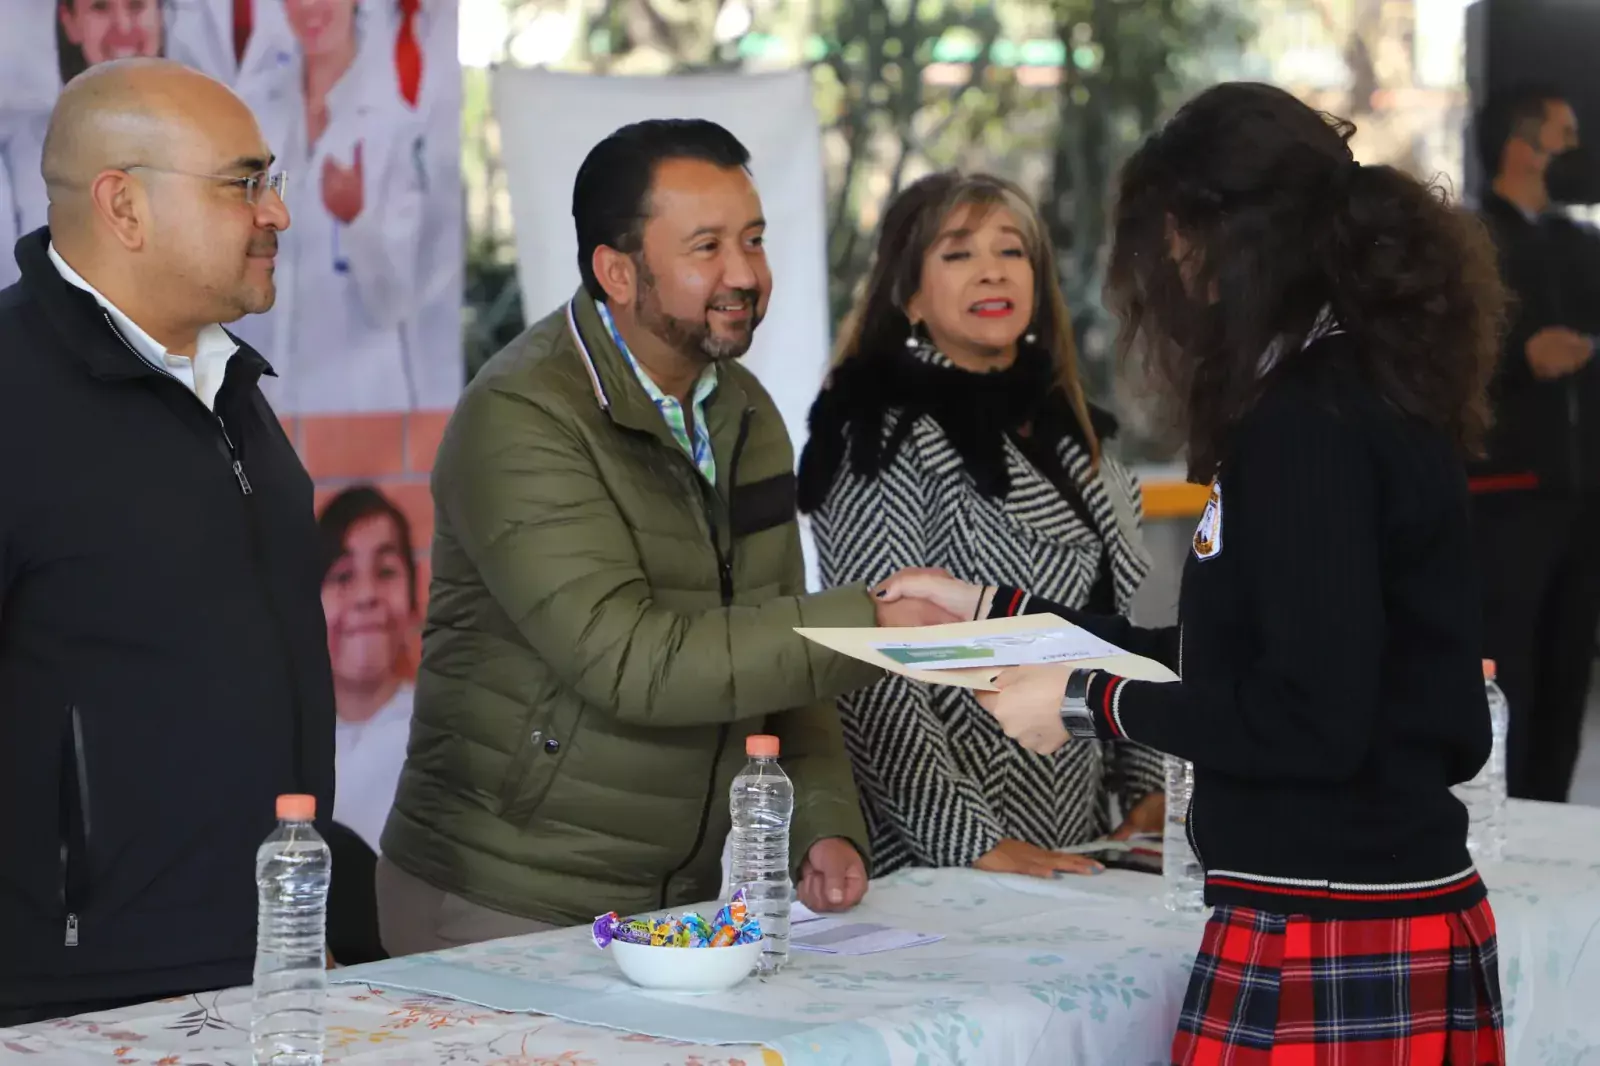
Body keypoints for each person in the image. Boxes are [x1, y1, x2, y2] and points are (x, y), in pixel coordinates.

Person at [878, 82, 1508, 1063]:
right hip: (1362, 907)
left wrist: (1086, 700)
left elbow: (1308, 716)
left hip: (1327, 927)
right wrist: (1006, 615)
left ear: (1213, 241)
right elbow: (1250, 656)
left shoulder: (1307, 425)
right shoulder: (1353, 389)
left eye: (1167, 244)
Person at [375, 118, 952, 957]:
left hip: (678, 905)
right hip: (504, 896)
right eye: (707, 247)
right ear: (617, 270)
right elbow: (630, 660)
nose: (745, 274)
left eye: (753, 240)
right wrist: (867, 628)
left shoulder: (744, 409)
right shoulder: (522, 415)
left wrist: (821, 823)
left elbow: (782, 647)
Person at [0, 58, 331, 1026]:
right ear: (124, 206)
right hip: (63, 998)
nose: (277, 214)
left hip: (263, 965)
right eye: (244, 183)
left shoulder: (232, 387)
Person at [796, 171, 1162, 880]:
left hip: (1080, 839)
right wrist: (969, 841)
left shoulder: (1072, 433)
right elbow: (874, 665)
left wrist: (1147, 786)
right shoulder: (879, 433)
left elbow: (1116, 622)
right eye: (958, 253)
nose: (992, 269)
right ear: (908, 294)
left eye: (1012, 250)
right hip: (939, 857)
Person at [1470, 83, 1600, 803]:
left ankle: (1551, 825)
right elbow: (1441, 355)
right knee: (1504, 682)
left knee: (1565, 682)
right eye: (1567, 134)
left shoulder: (1581, 243)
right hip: (1502, 503)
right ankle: (1493, 831)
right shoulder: (1472, 243)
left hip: (1582, 501)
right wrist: (1522, 357)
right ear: (1524, 146)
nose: (1579, 152)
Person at [236, 0, 431, 414]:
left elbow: (395, 302)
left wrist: (357, 221)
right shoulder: (257, 113)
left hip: (357, 411)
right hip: (267, 404)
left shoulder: (393, 129)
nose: (309, 7)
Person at [319, 485, 421, 855]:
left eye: (386, 571)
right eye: (343, 576)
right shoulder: (284, 747)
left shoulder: (444, 735)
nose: (366, 595)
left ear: (414, 600)